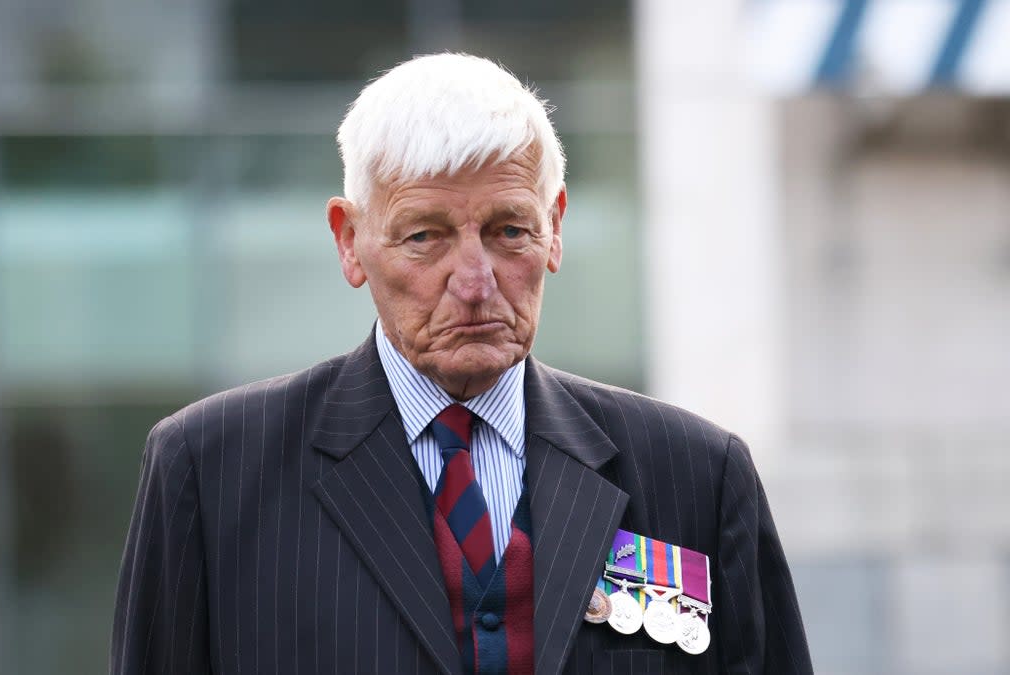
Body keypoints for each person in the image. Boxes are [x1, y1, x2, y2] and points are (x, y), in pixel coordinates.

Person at [111, 53, 813, 675]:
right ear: (350, 242)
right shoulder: (209, 473)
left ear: (555, 228)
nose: (475, 279)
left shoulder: (699, 474)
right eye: (425, 236)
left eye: (509, 230)